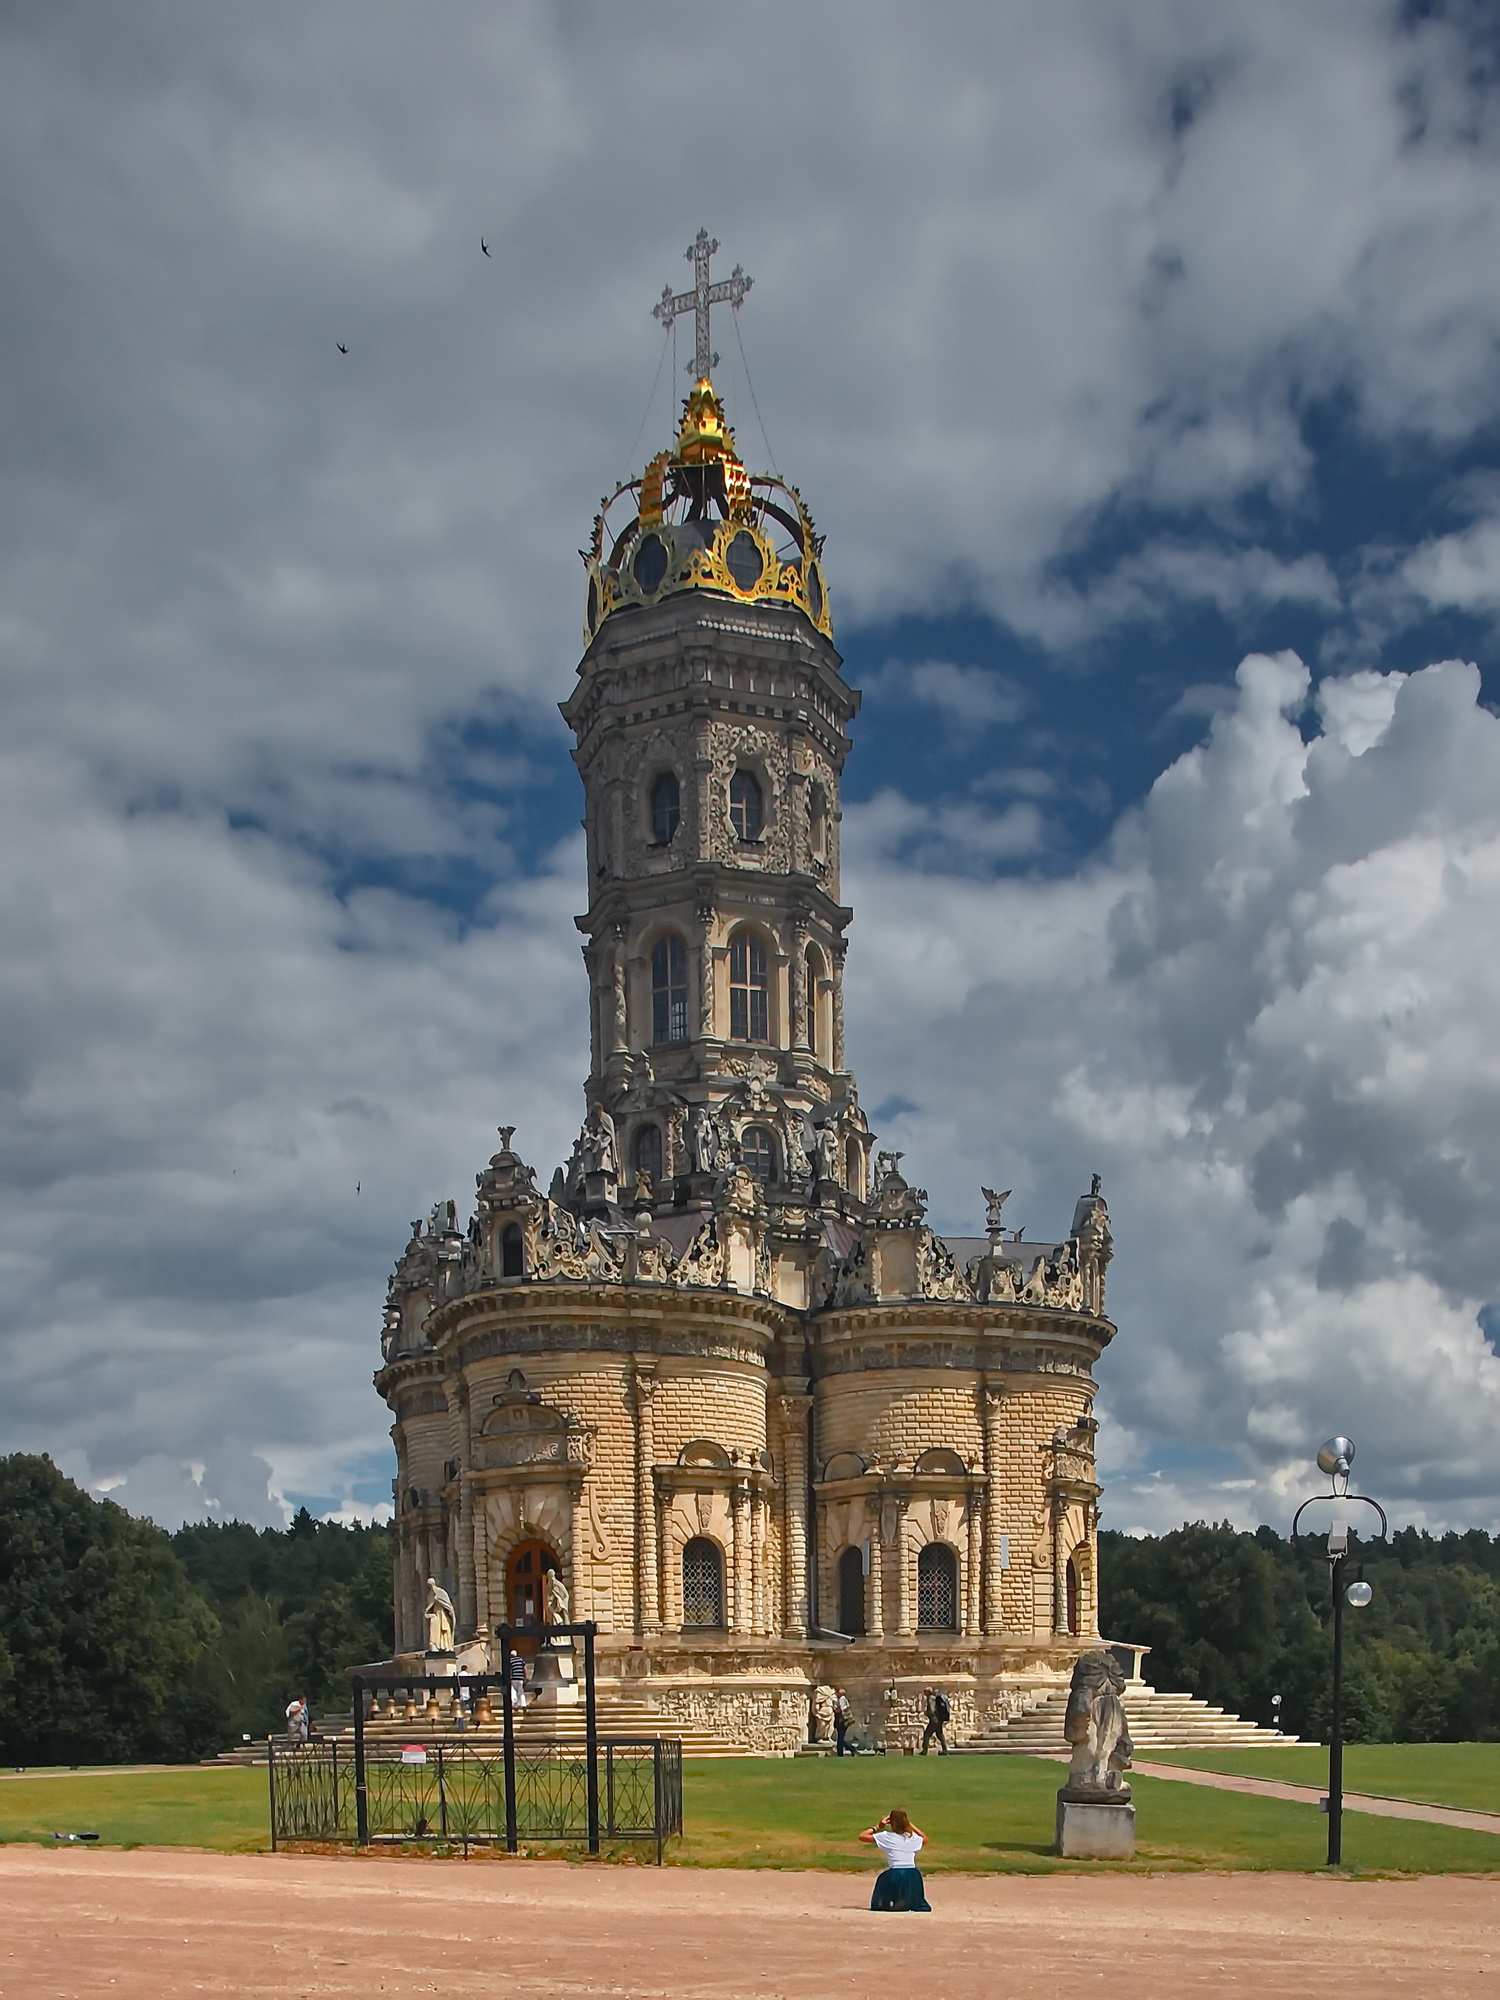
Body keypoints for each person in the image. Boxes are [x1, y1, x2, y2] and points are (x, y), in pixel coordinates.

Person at [860, 1808, 931, 1912]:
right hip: (913, 1875)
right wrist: (910, 1825)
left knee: (883, 1879)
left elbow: (863, 1836)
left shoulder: (886, 1836)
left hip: (896, 1873)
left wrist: (878, 1827)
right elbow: (925, 1839)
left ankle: (894, 1901)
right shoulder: (913, 1838)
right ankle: (904, 1900)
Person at [920, 1685, 950, 1754]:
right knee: (940, 1735)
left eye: (925, 1691)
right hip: (938, 1720)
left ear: (928, 1692)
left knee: (927, 1734)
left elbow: (932, 1709)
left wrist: (927, 1713)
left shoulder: (930, 1698)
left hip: (934, 1720)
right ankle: (945, 1750)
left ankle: (924, 1751)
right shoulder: (934, 1698)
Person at [833, 1686, 854, 1755]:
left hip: (842, 1720)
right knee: (840, 1737)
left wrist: (834, 1710)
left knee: (840, 1738)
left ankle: (850, 1749)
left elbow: (841, 1709)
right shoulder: (843, 1699)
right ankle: (842, 1751)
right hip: (843, 1720)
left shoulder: (842, 1699)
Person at [507, 1649, 527, 1713]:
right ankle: (523, 1705)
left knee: (513, 1692)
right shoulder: (521, 1659)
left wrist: (509, 1677)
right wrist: (525, 1676)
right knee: (521, 1692)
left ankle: (515, 1706)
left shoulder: (510, 1661)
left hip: (514, 1679)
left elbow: (509, 1670)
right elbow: (524, 1668)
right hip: (520, 1678)